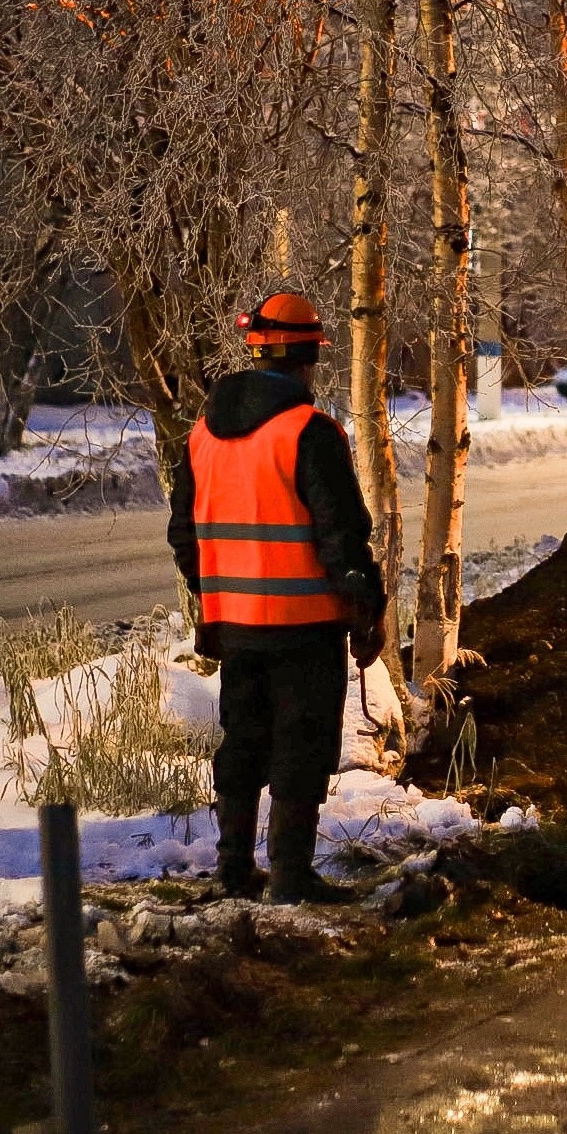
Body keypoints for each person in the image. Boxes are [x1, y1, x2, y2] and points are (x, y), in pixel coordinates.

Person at [167, 291, 387, 905]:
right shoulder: (310, 432)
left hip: (234, 627)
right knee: (302, 744)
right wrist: (367, 608)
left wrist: (213, 593)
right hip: (305, 625)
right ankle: (290, 877)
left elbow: (183, 533)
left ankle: (234, 869)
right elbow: (342, 534)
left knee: (242, 743)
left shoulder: (201, 436)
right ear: (310, 355)